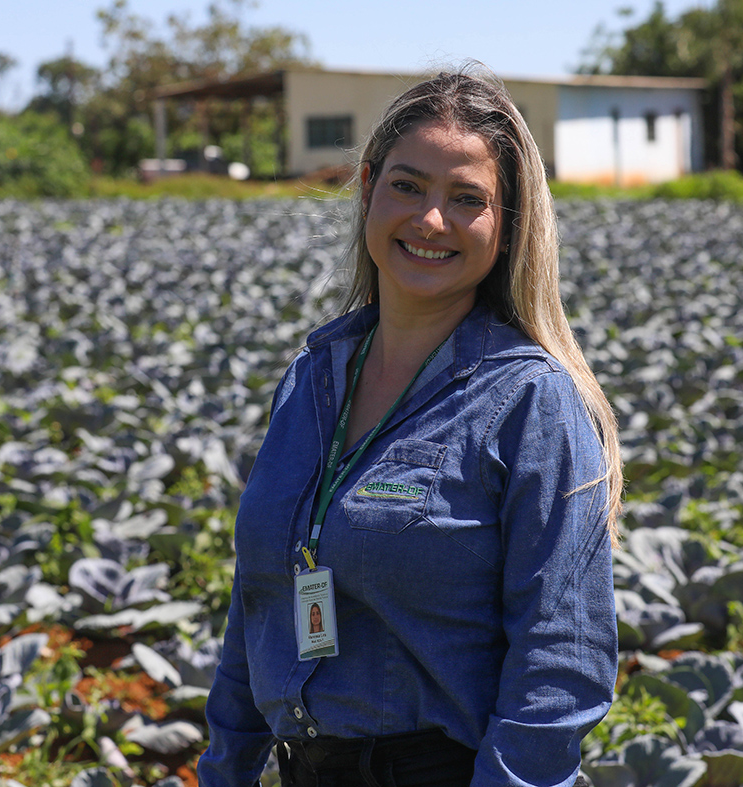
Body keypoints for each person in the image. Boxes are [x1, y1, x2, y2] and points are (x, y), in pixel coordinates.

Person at [198, 65, 622, 787]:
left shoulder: (532, 402)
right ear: (367, 189)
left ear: (507, 225)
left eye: (467, 199)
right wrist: (224, 769)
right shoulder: (311, 379)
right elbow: (259, 602)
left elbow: (561, 667)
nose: (430, 220)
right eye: (407, 186)